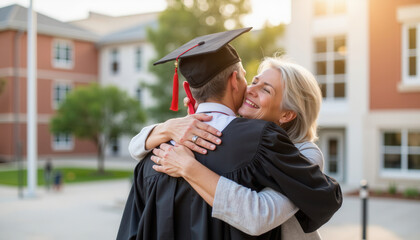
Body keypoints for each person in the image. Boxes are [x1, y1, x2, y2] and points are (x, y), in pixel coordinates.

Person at [117, 28, 342, 240]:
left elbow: (258, 216)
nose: (251, 90)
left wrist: (189, 167)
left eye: (266, 89)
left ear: (287, 115)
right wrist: (168, 127)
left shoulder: (301, 153)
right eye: (253, 80)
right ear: (235, 81)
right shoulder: (194, 134)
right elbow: (136, 145)